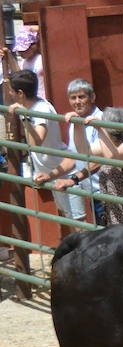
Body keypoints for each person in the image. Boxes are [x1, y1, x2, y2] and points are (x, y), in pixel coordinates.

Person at [7, 70, 83, 236]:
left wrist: (24, 117)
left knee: (78, 223)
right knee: (68, 217)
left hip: (64, 170)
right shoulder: (35, 105)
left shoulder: (40, 109)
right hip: (53, 171)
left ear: (20, 93)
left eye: (12, 91)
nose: (10, 94)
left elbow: (36, 142)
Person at [57, 79, 104, 224]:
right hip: (92, 191)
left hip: (104, 191)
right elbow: (73, 157)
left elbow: (100, 161)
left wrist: (74, 179)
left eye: (81, 97)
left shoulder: (101, 119)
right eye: (73, 98)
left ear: (92, 97)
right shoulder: (75, 122)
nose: (77, 102)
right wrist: (50, 175)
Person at [87, 107, 123, 227]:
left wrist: (99, 129)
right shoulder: (111, 147)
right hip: (117, 216)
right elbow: (84, 150)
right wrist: (77, 127)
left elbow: (111, 160)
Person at [1, 28, 45, 99]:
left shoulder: (41, 60)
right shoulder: (24, 62)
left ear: (33, 47)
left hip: (42, 97)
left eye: (23, 50)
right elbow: (19, 74)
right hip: (31, 99)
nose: (20, 53)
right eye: (19, 50)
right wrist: (9, 55)